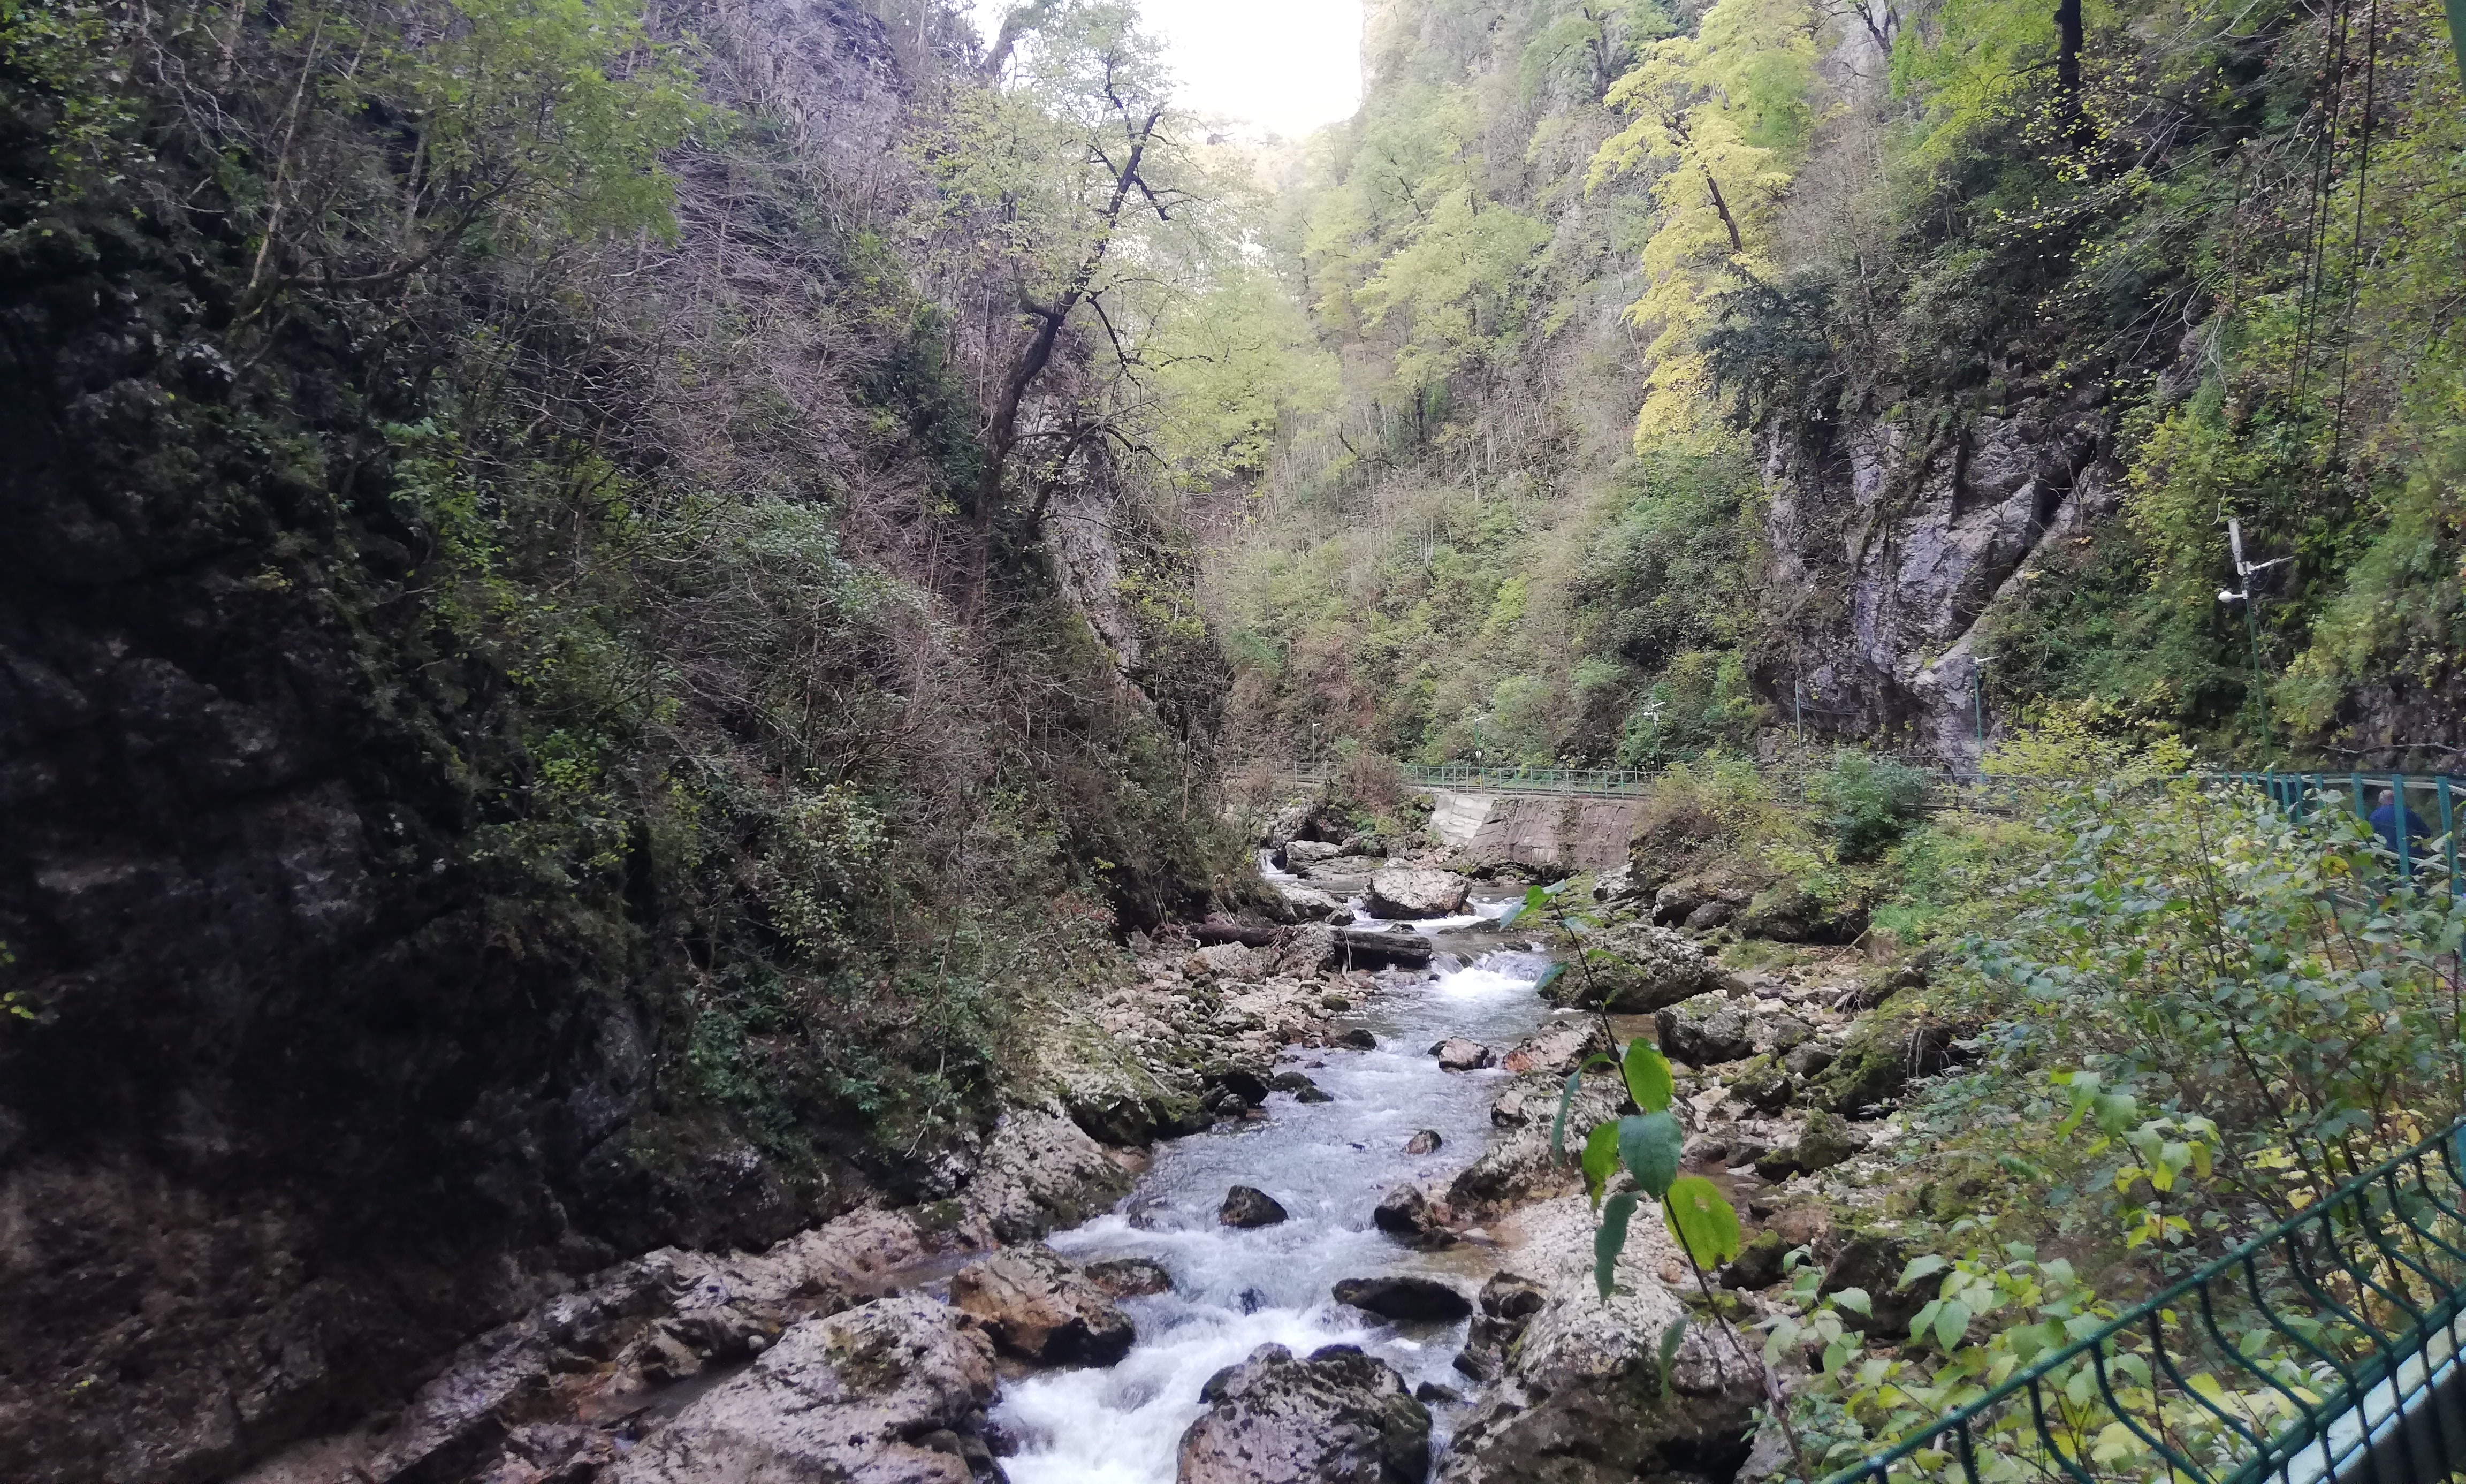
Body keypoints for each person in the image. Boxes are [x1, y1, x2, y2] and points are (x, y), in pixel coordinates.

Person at [2368, 787, 2432, 858]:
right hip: (2411, 854)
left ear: (2381, 801)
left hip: (2388, 854)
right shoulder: (2408, 813)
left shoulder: (2375, 816)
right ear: (2395, 799)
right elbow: (2426, 833)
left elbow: (2370, 836)